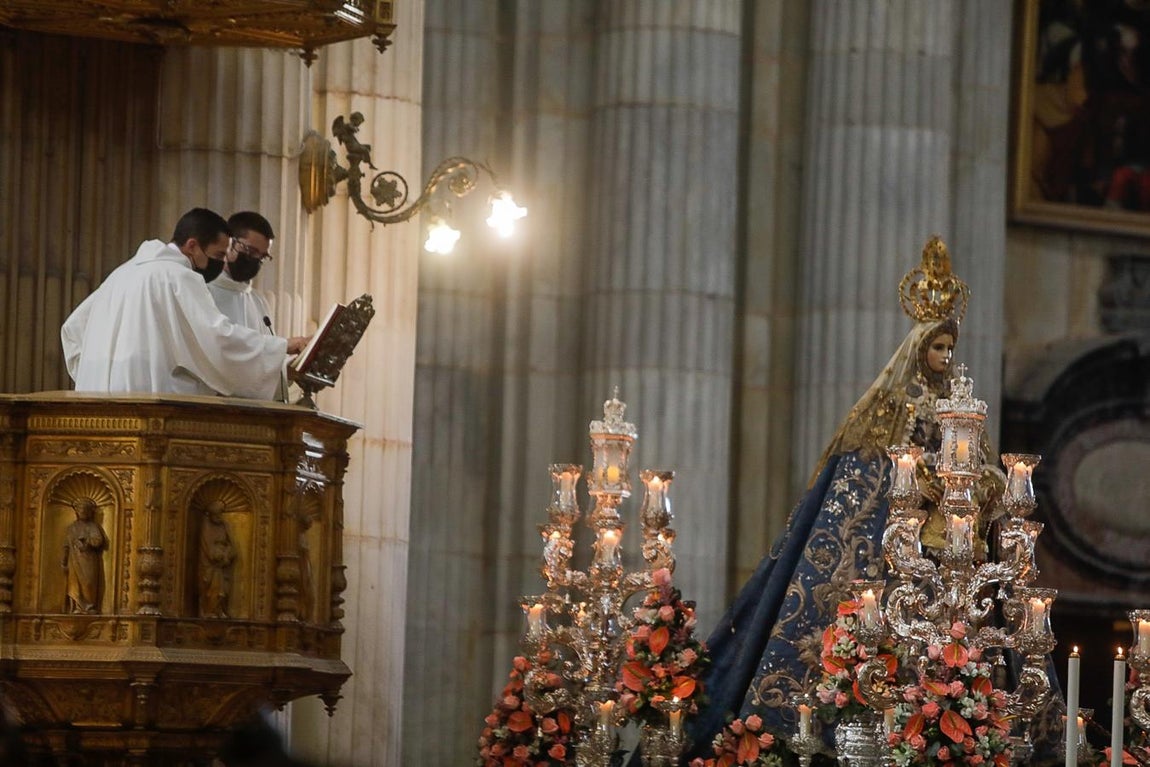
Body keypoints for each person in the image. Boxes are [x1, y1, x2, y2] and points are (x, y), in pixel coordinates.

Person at [687, 237, 1006, 756]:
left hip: (944, 544)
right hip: (894, 532)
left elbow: (978, 468)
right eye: (938, 347)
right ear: (919, 347)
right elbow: (873, 469)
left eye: (950, 348)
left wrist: (985, 480)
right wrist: (919, 475)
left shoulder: (959, 407)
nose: (945, 357)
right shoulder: (895, 406)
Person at [60, 208, 308, 398]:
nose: (221, 263)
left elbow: (72, 330)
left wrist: (96, 376)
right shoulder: (179, 277)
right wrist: (282, 346)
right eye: (218, 254)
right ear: (192, 246)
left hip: (97, 410)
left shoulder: (121, 274)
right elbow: (217, 340)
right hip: (147, 410)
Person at [207, 211, 288, 401]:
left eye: (262, 256)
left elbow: (263, 358)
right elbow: (218, 348)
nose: (255, 260)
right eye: (250, 251)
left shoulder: (258, 302)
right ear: (230, 243)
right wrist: (286, 345)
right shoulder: (204, 291)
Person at [62, 498, 108, 614]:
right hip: (74, 561)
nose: (83, 512)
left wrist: (87, 542)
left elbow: (99, 541)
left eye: (85, 510)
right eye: (81, 510)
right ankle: (77, 607)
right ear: (77, 511)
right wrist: (64, 561)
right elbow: (66, 545)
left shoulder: (93, 526)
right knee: (74, 584)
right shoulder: (72, 527)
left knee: (89, 582)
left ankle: (89, 606)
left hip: (89, 560)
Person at [199, 500, 238, 619]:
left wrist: (227, 554)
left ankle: (220, 610)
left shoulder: (225, 526)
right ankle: (209, 610)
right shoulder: (206, 526)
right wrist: (217, 556)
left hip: (223, 564)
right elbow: (207, 547)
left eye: (221, 514)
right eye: (217, 514)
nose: (219, 517)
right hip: (210, 565)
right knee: (212, 588)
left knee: (224, 589)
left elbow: (232, 545)